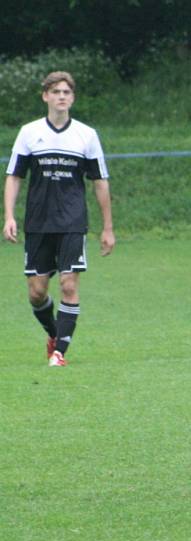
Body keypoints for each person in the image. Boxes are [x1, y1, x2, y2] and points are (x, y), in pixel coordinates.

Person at [3, 71, 115, 367]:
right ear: (45, 96)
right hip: (38, 223)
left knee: (68, 284)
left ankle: (59, 353)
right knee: (37, 292)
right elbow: (14, 176)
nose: (61, 96)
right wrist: (9, 216)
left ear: (73, 97)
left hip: (71, 222)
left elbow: (100, 182)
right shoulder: (29, 133)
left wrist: (108, 227)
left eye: (66, 92)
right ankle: (55, 334)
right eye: (56, 92)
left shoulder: (86, 135)